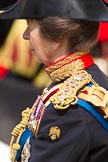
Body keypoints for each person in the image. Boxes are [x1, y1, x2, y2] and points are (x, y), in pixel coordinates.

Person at [0, 0, 108, 162]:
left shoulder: (69, 110)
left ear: (57, 38)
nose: (25, 35)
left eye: (30, 26)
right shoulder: (79, 81)